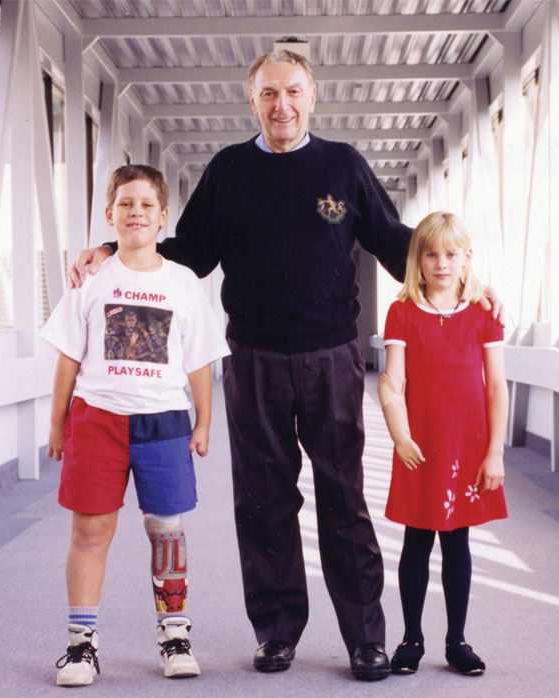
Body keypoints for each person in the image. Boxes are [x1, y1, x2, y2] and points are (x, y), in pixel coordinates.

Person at [70, 51, 500, 681]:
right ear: (253, 101)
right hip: (254, 360)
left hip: (332, 357)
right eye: (269, 94)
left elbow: (391, 239)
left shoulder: (343, 167)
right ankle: (275, 633)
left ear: (312, 96)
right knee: (263, 502)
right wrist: (113, 248)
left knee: (343, 499)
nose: (282, 105)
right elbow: (188, 254)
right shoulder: (229, 171)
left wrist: (467, 277)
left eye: (293, 92)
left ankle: (365, 640)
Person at [40, 164, 229, 687]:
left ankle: (175, 634)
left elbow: (199, 361)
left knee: (167, 530)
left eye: (147, 205)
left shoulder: (182, 283)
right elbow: (67, 359)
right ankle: (81, 645)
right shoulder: (92, 278)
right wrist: (57, 424)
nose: (136, 213)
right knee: (90, 531)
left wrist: (204, 422)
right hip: (97, 418)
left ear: (163, 216)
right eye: (125, 204)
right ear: (109, 214)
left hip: (164, 421)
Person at [377, 212, 508, 677]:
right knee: (416, 539)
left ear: (466, 258)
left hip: (467, 444)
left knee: (458, 542)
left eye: (451, 254)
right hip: (421, 443)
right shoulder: (403, 312)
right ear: (418, 259)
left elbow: (496, 387)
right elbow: (392, 380)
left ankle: (457, 640)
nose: (441, 263)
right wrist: (400, 433)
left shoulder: (482, 314)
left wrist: (494, 451)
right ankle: (411, 638)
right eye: (430, 254)